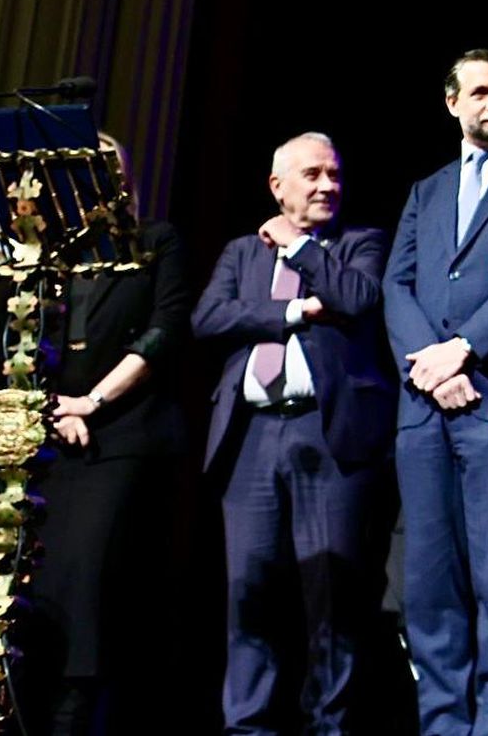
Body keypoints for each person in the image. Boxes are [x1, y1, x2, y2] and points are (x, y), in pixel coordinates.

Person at [191, 132, 395, 734]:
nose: (328, 185)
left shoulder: (360, 243)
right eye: (312, 175)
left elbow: (357, 298)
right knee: (247, 591)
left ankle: (328, 725)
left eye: (334, 174)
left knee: (330, 593)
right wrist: (289, 313)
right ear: (277, 187)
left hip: (327, 433)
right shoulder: (241, 253)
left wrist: (302, 248)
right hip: (251, 435)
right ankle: (248, 725)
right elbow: (208, 318)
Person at [19, 133, 191, 733]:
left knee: (89, 591)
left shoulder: (154, 241)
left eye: (107, 168)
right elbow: (16, 345)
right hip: (49, 443)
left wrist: (89, 403)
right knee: (37, 594)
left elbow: (164, 331)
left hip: (120, 436)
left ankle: (79, 718)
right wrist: (51, 409)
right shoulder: (49, 259)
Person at [382, 50, 488, 733]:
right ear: (452, 103)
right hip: (424, 406)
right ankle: (442, 720)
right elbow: (397, 283)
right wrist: (429, 366)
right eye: (479, 92)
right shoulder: (427, 189)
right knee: (429, 578)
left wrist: (463, 350)